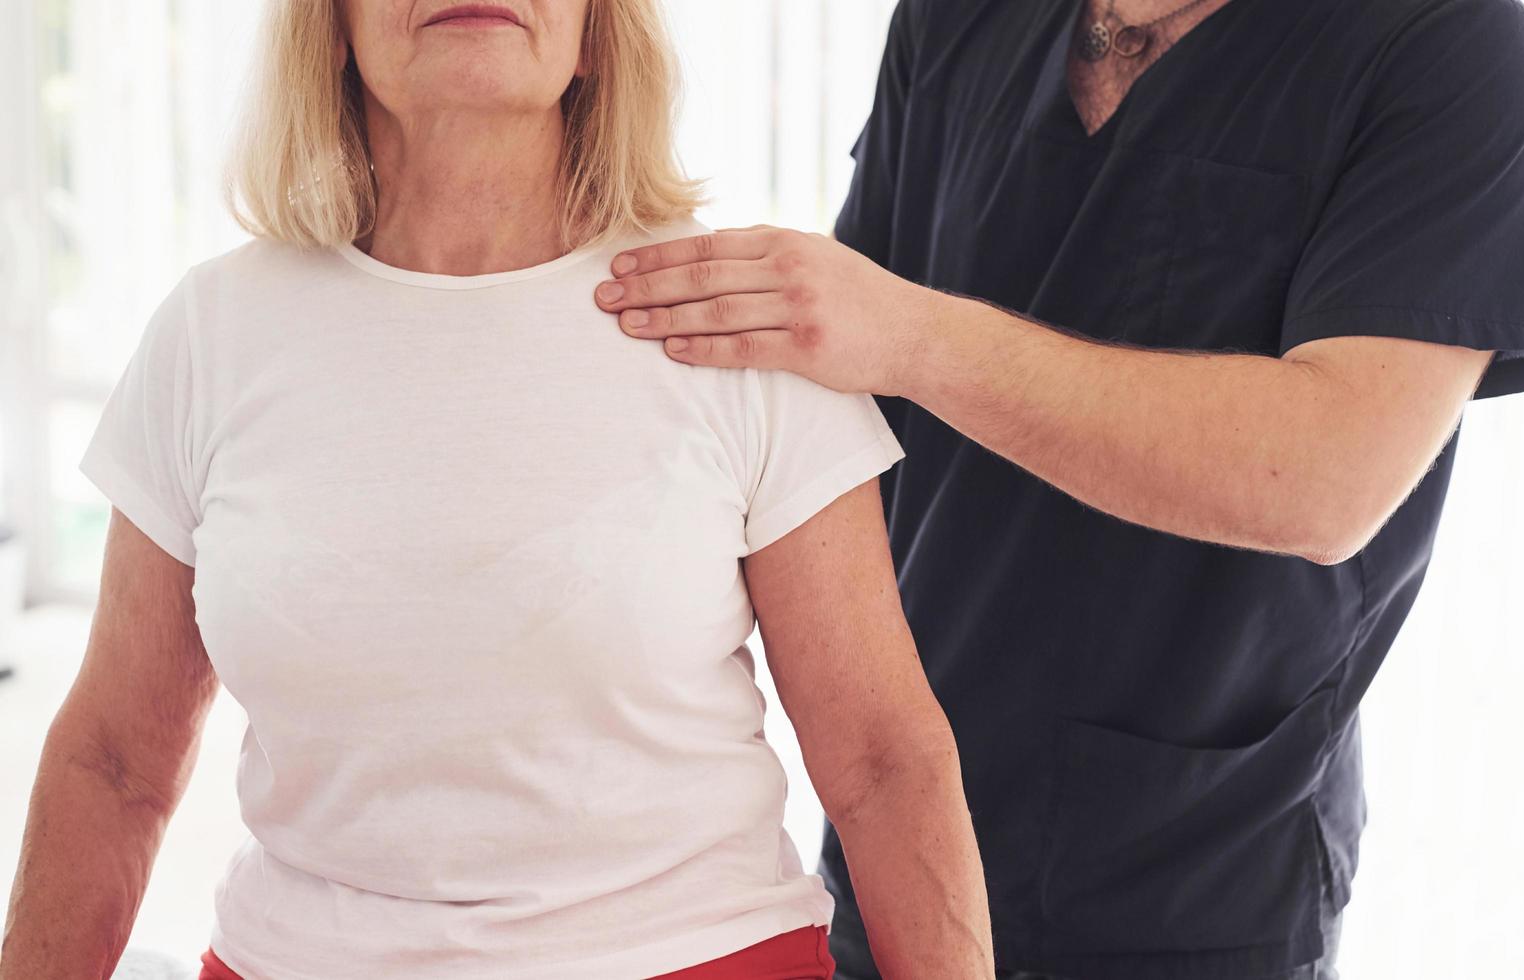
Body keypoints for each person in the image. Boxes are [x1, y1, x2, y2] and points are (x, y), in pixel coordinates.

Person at [0, 2, 996, 978]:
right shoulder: (209, 332)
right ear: (330, 25)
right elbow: (114, 761)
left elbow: (881, 759)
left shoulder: (728, 314)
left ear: (597, 27)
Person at [591, 0, 1524, 977]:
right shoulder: (954, 19)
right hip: (906, 844)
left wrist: (918, 337)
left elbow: (1327, 477)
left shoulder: (1448, 46)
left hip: (1203, 885)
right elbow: (842, 412)